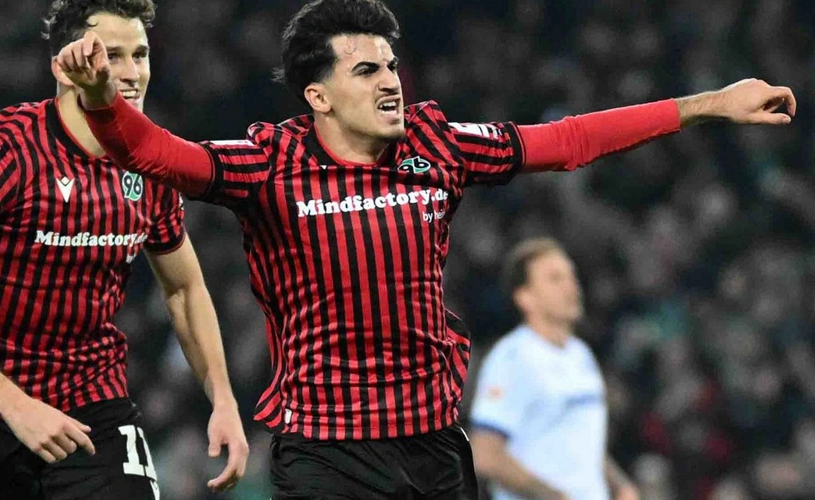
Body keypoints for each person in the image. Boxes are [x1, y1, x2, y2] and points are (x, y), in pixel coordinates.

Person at [55, 0, 795, 497]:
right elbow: (158, 154)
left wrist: (711, 104)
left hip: (435, 449)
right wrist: (101, 100)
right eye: (367, 70)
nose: (391, 82)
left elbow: (569, 141)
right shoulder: (267, 165)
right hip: (327, 458)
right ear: (318, 96)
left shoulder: (436, 145)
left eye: (392, 66)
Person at [0, 0, 248, 497]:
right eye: (110, 55)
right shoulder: (4, 148)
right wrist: (17, 406)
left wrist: (222, 399)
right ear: (63, 66)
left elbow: (184, 289)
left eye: (140, 55)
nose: (131, 74)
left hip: (92, 403)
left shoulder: (149, 161)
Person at [469, 239, 638, 500]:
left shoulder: (581, 355)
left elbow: (580, 441)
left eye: (571, 276)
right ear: (525, 298)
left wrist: (620, 486)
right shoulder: (512, 359)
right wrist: (553, 496)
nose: (571, 286)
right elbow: (485, 454)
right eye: (555, 279)